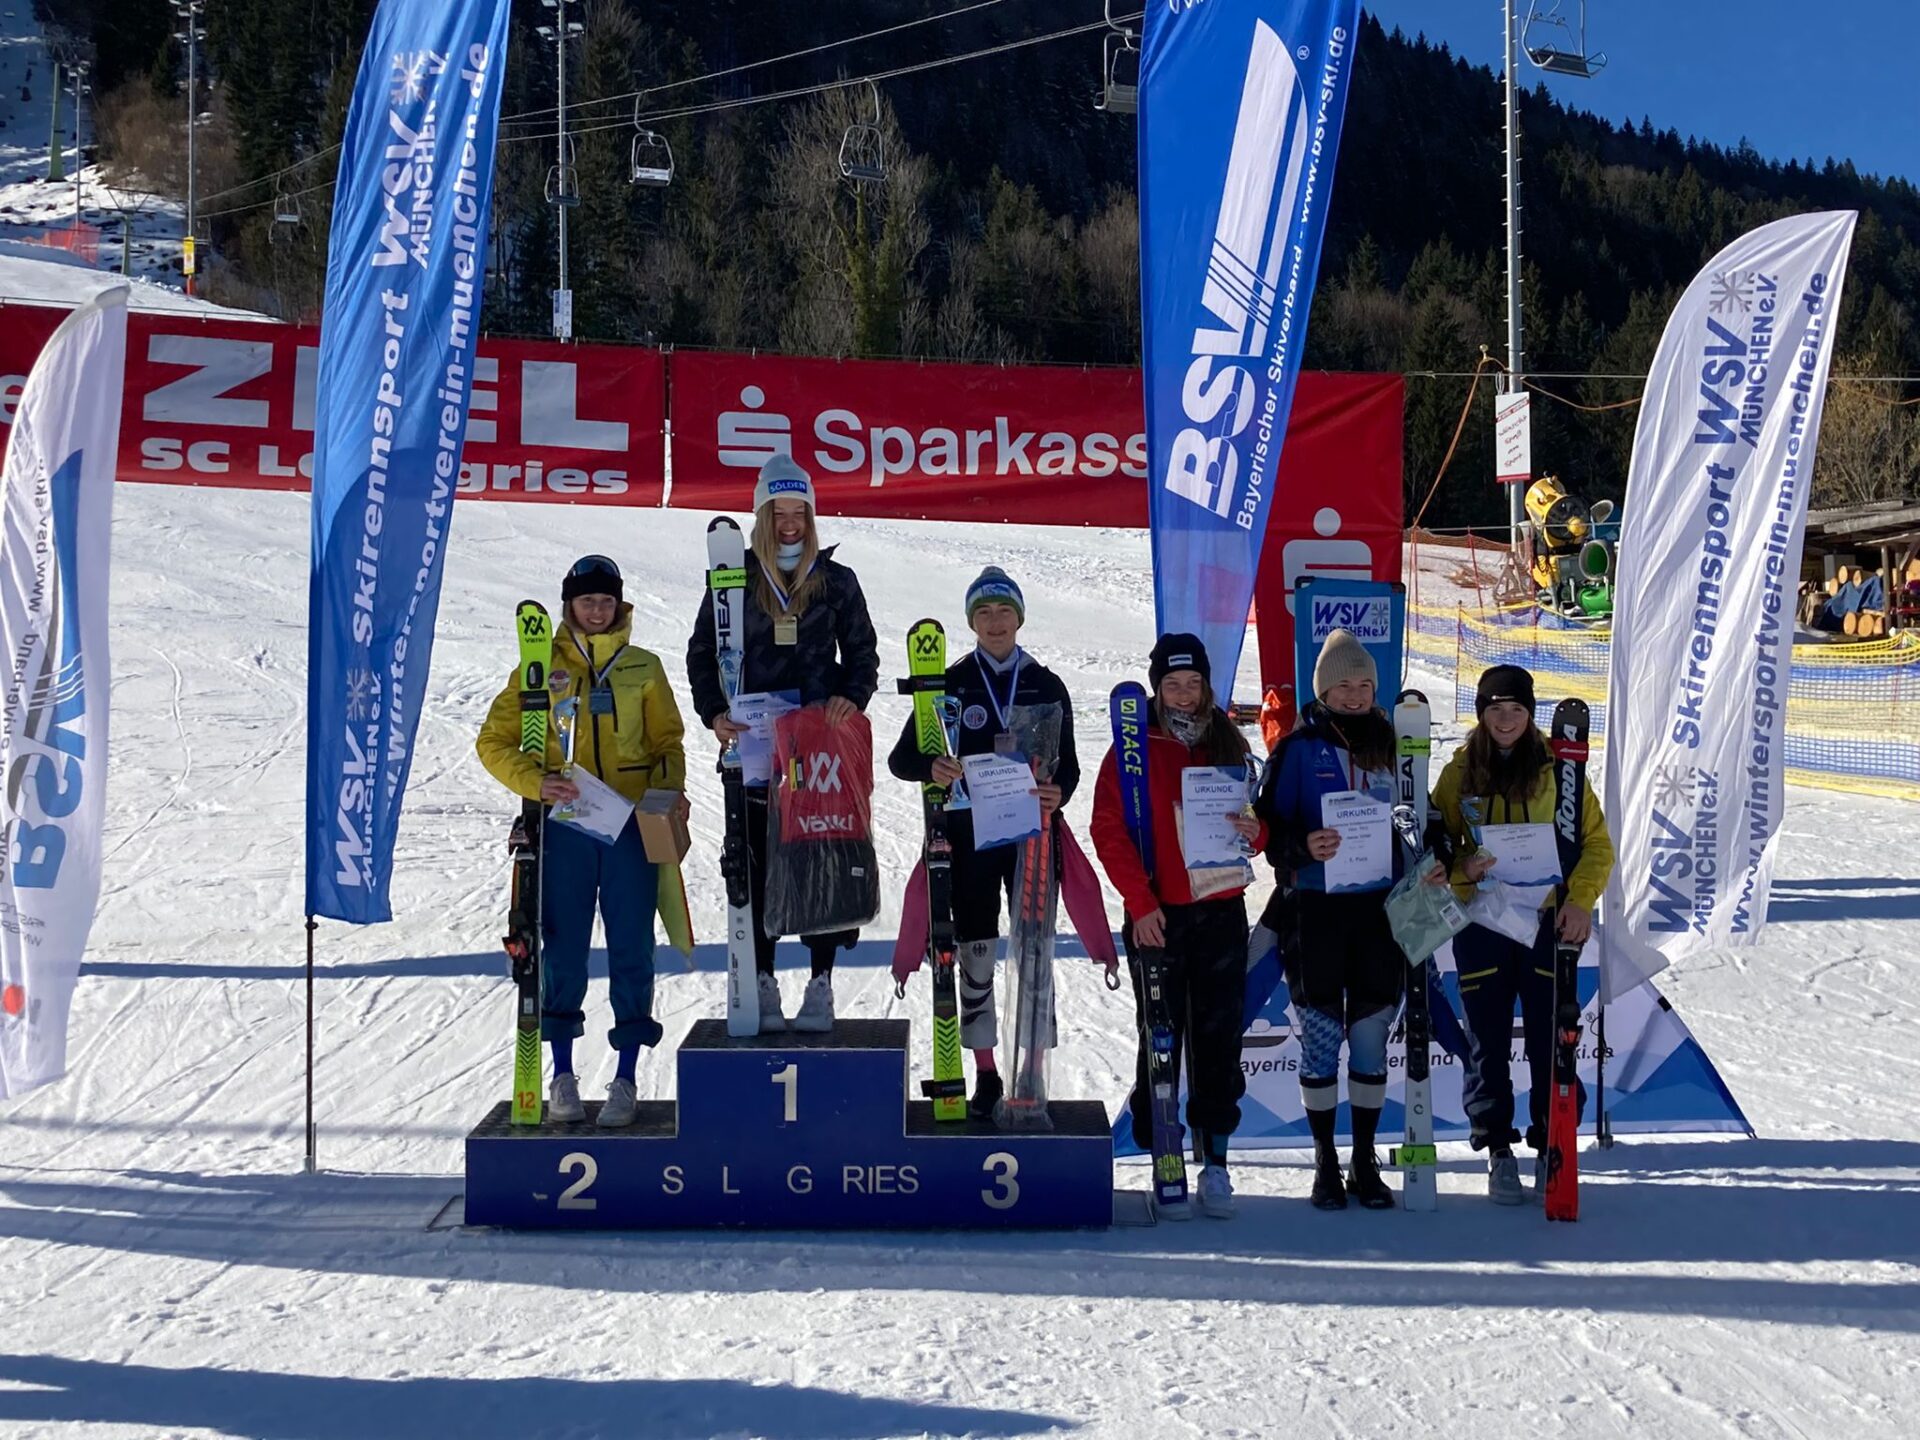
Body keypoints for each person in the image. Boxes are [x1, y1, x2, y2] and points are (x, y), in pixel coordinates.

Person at [476, 555, 689, 1127]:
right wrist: (536, 782)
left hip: (627, 829)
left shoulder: (643, 667)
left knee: (631, 948)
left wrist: (665, 797)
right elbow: (493, 743)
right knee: (562, 945)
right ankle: (563, 1075)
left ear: (619, 605)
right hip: (565, 828)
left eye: (605, 600)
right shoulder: (539, 668)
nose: (596, 610)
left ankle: (625, 1078)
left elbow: (669, 742)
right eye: (585, 600)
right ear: (568, 604)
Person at [686, 456, 880, 1033]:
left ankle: (820, 985)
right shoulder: (735, 576)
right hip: (756, 742)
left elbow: (864, 651)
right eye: (779, 513)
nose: (790, 524)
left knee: (819, 854)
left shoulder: (837, 580)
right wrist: (715, 713)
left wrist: (853, 695)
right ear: (763, 516)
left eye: (799, 513)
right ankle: (763, 981)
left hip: (818, 741)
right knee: (758, 855)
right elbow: (703, 653)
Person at [1255, 628, 1441, 1211]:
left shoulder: (1395, 743)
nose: (1356, 695)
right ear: (1324, 690)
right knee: (1320, 1036)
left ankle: (1363, 1160)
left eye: (1365, 684)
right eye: (1344, 686)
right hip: (1316, 910)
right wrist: (1303, 845)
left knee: (1367, 1034)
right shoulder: (1299, 748)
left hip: (1381, 911)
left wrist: (1435, 859)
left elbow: (1421, 817)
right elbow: (1267, 828)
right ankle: (1324, 1163)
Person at [886, 567, 1078, 1117]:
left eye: (1004, 612)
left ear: (1020, 618)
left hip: (1030, 838)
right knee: (973, 953)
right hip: (969, 841)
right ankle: (987, 1073)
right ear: (972, 622)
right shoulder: (949, 680)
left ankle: (1031, 1068)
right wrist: (933, 765)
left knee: (1034, 950)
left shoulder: (1045, 684)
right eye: (984, 613)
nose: (996, 623)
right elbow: (902, 760)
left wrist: (1057, 792)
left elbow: (1072, 768)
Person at [1090, 635, 1264, 1220]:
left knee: (1218, 1037)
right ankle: (1163, 1148)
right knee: (1160, 1033)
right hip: (1157, 912)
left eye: (1193, 684)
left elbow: (1257, 824)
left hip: (1219, 909)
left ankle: (1215, 1160)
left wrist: (1254, 834)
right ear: (1157, 686)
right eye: (1173, 684)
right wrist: (1139, 904)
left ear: (1207, 686)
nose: (1184, 695)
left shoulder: (1229, 740)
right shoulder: (1135, 745)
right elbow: (1108, 829)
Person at [1431, 663, 1614, 1204]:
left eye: (1515, 709)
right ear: (1481, 712)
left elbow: (1597, 846)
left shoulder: (1562, 774)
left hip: (1546, 925)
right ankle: (1498, 1151)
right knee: (1486, 1041)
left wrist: (1579, 903)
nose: (1505, 719)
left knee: (1550, 1039)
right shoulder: (1459, 773)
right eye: (1494, 708)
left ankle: (1550, 1141)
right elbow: (1436, 849)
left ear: (1530, 715)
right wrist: (1463, 870)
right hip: (1484, 925)